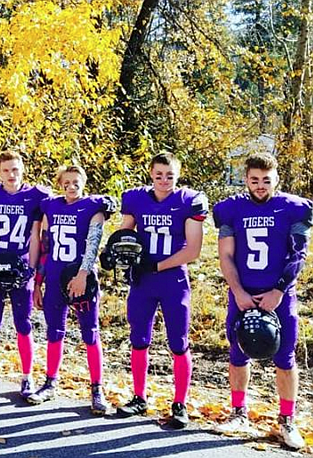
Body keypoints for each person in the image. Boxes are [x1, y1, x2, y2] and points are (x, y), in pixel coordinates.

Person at [213, 152, 310, 449]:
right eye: (254, 180)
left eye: (266, 180)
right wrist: (239, 291)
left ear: (276, 178)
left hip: (280, 296)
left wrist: (279, 291)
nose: (260, 185)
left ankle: (286, 421)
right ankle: (238, 412)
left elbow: (298, 255)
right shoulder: (232, 209)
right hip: (241, 292)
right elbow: (226, 255)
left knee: (285, 357)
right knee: (238, 352)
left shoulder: (293, 208)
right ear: (246, 179)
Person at [114, 152, 207, 429]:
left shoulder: (188, 201)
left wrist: (157, 266)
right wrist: (115, 253)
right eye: (159, 175)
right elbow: (124, 236)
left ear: (178, 176)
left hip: (172, 280)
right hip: (143, 281)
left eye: (170, 176)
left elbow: (193, 250)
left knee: (178, 343)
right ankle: (139, 397)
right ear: (150, 174)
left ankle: (180, 403)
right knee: (139, 339)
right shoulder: (136, 198)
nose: (164, 181)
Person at [31, 165, 115, 414]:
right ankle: (50, 382)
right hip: (55, 276)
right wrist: (37, 283)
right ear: (60, 183)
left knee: (90, 333)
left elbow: (93, 244)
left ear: (84, 181)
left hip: (82, 279)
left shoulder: (93, 206)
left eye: (75, 181)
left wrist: (83, 274)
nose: (71, 185)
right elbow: (45, 248)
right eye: (66, 181)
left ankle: (97, 389)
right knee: (54, 331)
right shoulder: (51, 206)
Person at [0, 151, 48, 399]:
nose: (11, 175)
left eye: (15, 169)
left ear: (23, 169)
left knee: (23, 324)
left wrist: (32, 271)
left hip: (21, 266)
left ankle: (27, 378)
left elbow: (37, 237)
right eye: (6, 170)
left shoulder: (35, 196)